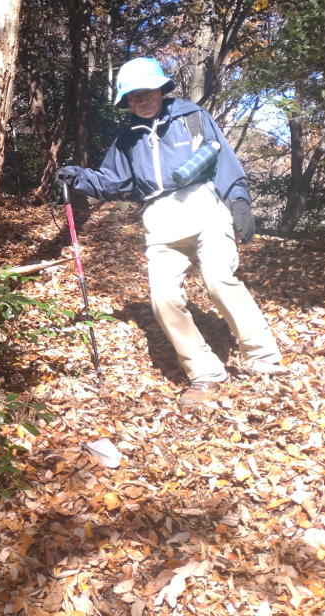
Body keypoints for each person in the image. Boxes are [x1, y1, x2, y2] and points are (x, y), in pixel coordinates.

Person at [53, 56, 287, 409]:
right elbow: (114, 181)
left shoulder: (192, 117)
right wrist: (76, 176)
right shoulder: (127, 137)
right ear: (126, 101)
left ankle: (262, 357)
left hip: (205, 207)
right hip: (159, 218)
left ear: (161, 89)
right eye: (133, 96)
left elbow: (224, 160)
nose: (141, 100)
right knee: (163, 298)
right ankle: (204, 372)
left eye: (147, 92)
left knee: (219, 280)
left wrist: (239, 200)